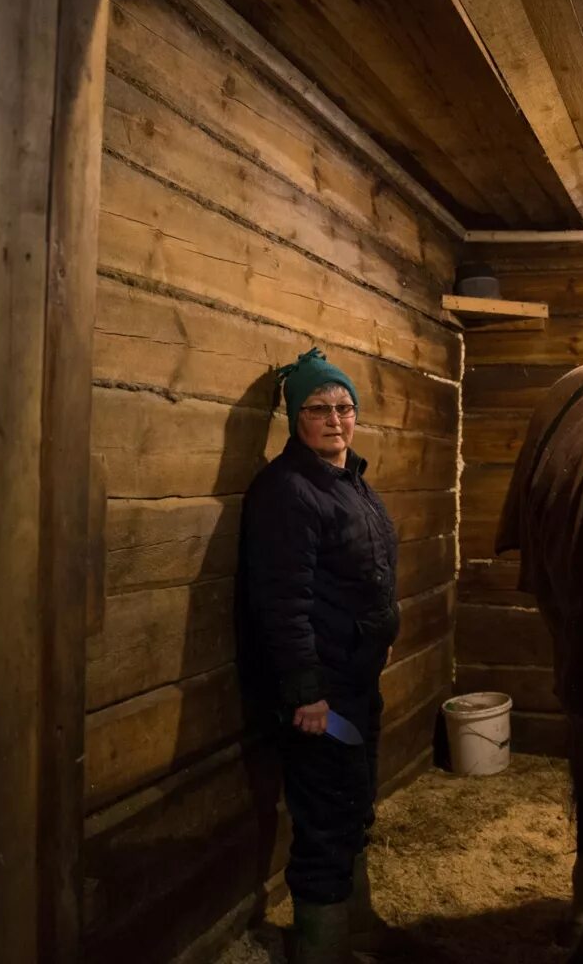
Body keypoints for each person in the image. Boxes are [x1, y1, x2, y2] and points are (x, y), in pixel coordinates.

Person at [241, 347, 402, 964]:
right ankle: (322, 950)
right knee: (327, 821)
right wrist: (307, 691)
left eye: (345, 405)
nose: (337, 418)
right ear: (294, 417)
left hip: (357, 680)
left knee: (354, 806)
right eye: (319, 408)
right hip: (323, 694)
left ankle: (356, 930)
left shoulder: (349, 482)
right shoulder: (287, 493)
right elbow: (284, 602)